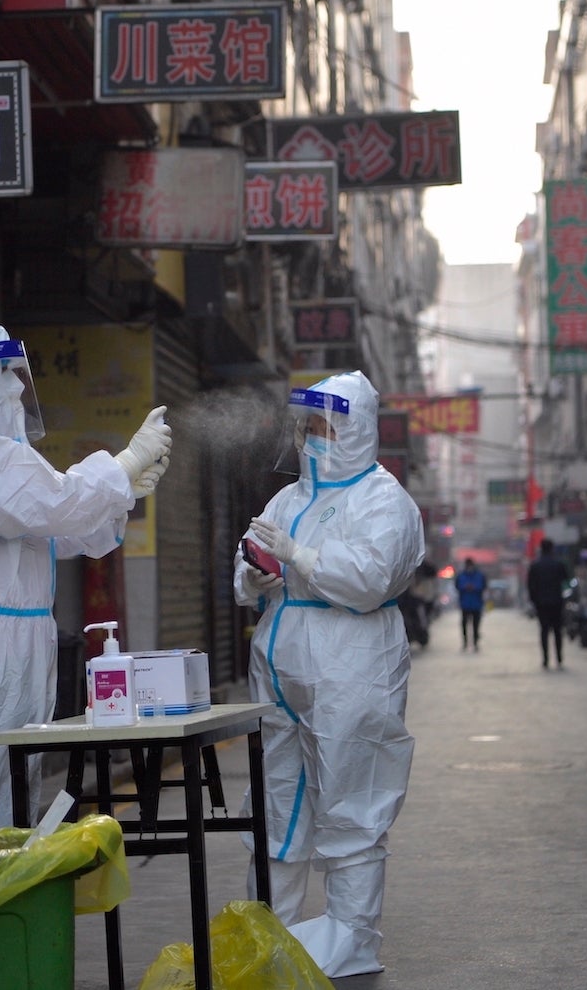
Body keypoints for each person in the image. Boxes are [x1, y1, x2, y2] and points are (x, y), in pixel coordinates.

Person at [0, 321, 171, 836]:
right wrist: (124, 463)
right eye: (1, 372)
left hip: (10, 643)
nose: (17, 386)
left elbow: (54, 534)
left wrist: (123, 493)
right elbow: (55, 504)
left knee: (8, 799)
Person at [232, 371, 423, 978]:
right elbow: (247, 564)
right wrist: (255, 576)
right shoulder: (288, 498)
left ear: (356, 429)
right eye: (308, 426)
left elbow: (370, 580)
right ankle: (271, 931)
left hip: (353, 665)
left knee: (351, 805)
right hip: (280, 664)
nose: (314, 438)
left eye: (327, 427)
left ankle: (351, 940)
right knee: (276, 802)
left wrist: (299, 556)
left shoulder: (383, 499)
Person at [527, 538, 573, 669]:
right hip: (557, 602)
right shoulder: (558, 564)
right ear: (552, 549)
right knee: (558, 631)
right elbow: (566, 581)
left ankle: (545, 659)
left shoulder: (535, 566)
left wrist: (534, 601)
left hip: (541, 604)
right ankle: (559, 658)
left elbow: (531, 586)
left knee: (544, 631)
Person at [454, 557, 487, 650]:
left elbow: (483, 586)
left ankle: (475, 642)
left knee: (475, 626)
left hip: (476, 605)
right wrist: (466, 588)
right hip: (465, 604)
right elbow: (457, 586)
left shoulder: (479, 576)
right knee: (464, 625)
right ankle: (465, 642)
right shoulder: (461, 576)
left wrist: (474, 588)